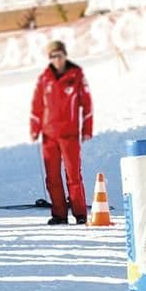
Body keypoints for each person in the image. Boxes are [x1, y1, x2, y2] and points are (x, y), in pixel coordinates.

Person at [31, 40, 93, 224]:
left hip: (69, 135)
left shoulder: (76, 75)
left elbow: (86, 103)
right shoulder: (45, 78)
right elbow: (37, 106)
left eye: (59, 55)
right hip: (49, 135)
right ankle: (59, 214)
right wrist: (35, 129)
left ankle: (80, 213)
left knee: (73, 175)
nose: (56, 59)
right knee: (52, 177)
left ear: (65, 55)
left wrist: (87, 128)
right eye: (52, 56)